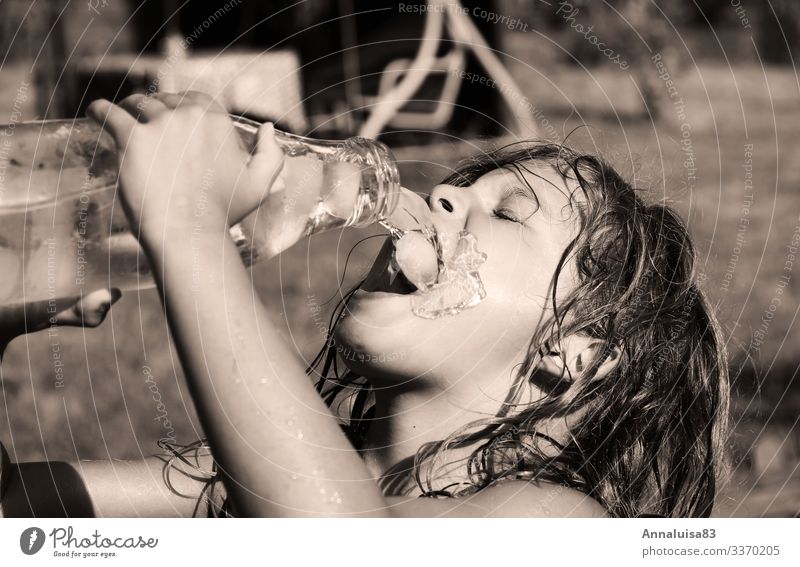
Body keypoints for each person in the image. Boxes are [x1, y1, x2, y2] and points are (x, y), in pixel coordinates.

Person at [0, 91, 729, 518]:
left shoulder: (553, 522)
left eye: (507, 212)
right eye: (462, 185)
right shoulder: (233, 476)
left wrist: (190, 227)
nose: (442, 193)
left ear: (579, 354)